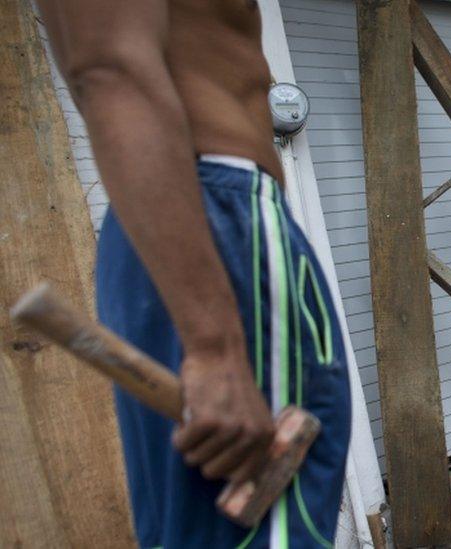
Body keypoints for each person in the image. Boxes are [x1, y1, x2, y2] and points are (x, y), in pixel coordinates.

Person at [36, 1, 351, 547]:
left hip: (196, 215)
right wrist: (213, 346)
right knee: (265, 529)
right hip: (213, 218)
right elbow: (107, 65)